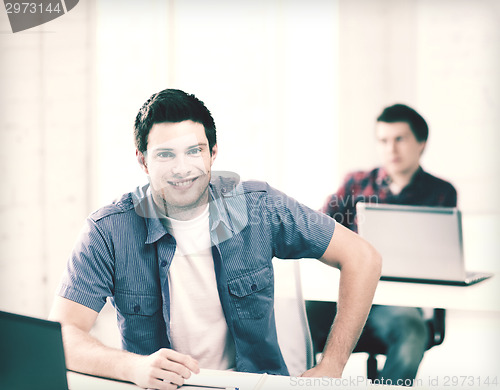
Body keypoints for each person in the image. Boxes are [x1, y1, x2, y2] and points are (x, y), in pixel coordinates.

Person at [48, 88, 381, 390]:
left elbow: (363, 258)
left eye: (194, 150)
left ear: (213, 153)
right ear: (142, 160)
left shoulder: (259, 206)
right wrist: (133, 367)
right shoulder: (108, 230)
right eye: (166, 154)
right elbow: (64, 334)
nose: (183, 168)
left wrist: (333, 364)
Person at [308, 103, 457, 385]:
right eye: (383, 140)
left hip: (397, 302)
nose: (391, 149)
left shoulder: (441, 193)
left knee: (412, 332)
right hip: (343, 292)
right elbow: (317, 227)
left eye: (400, 139)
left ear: (421, 143)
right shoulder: (355, 183)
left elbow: (442, 257)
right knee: (291, 319)